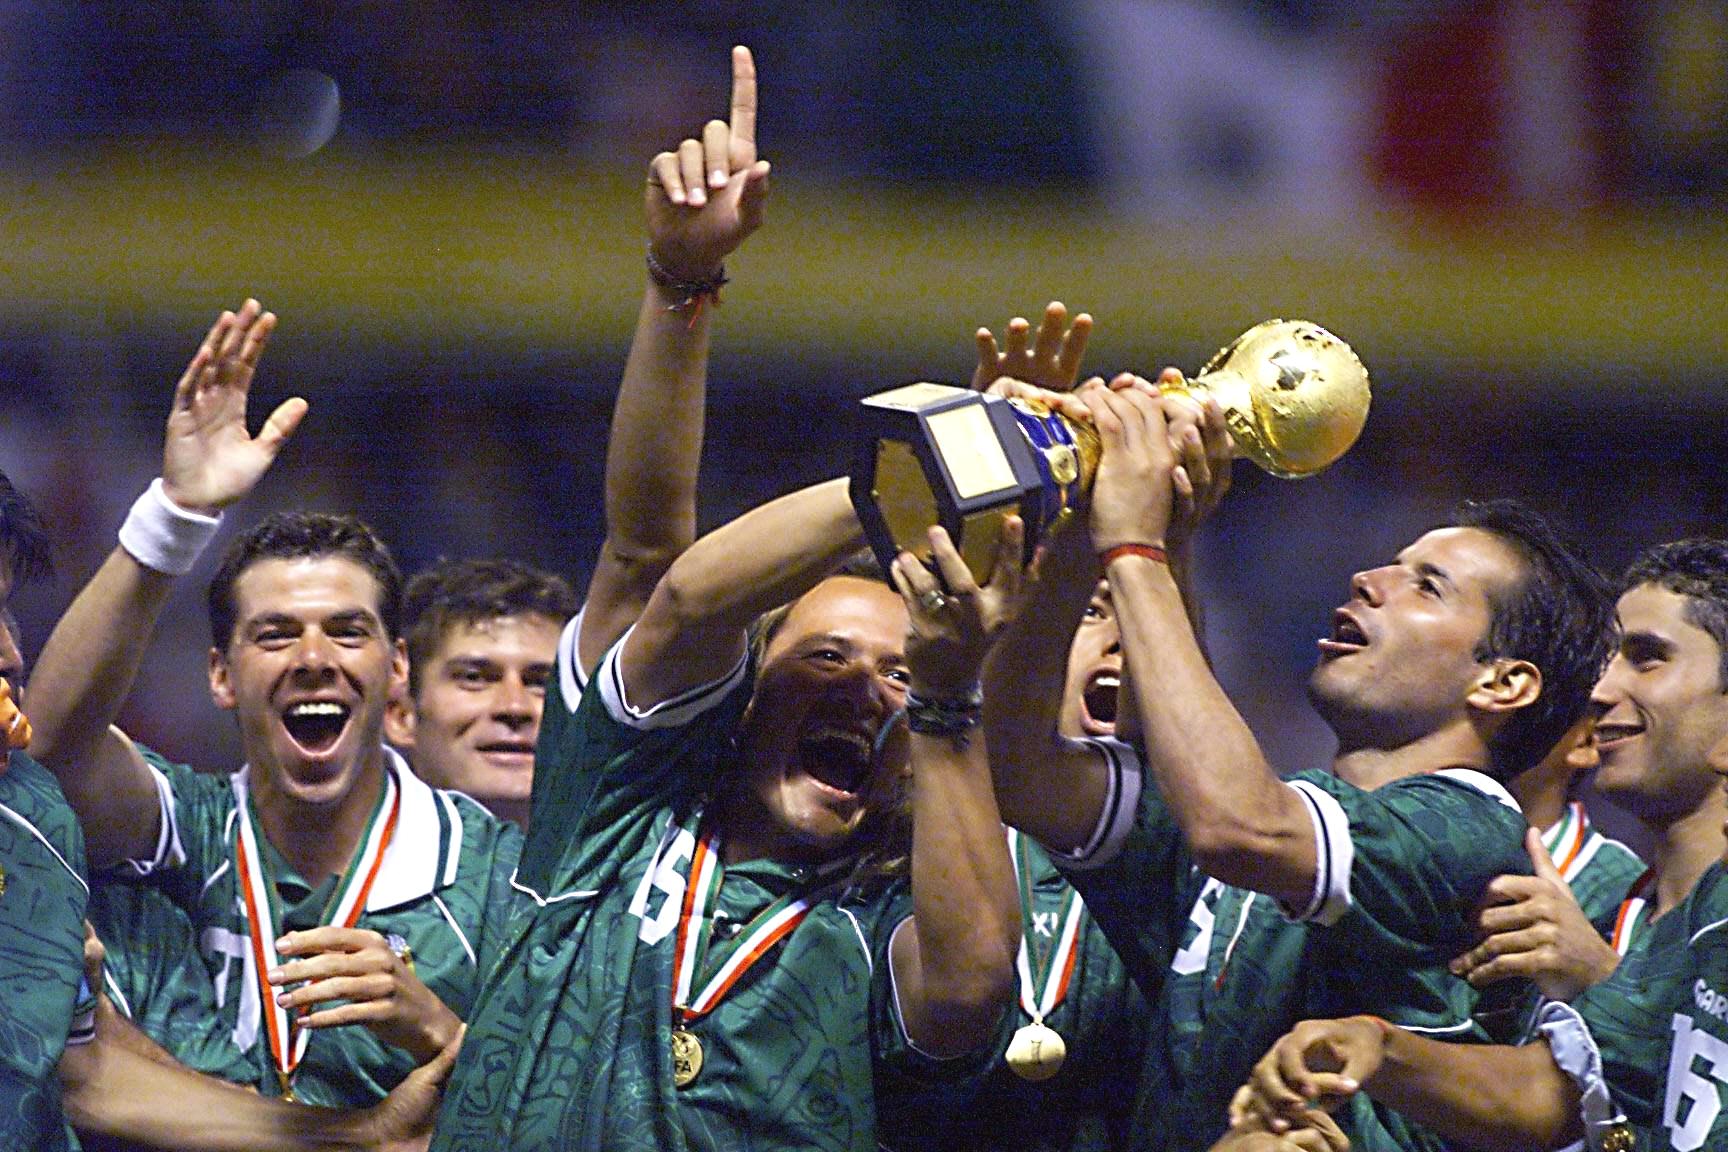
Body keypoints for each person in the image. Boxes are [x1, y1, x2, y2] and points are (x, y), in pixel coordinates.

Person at [983, 372, 1615, 1151]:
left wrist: (1137, 546)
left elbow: (1237, 827)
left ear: (1503, 681)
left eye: (1427, 586)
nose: (1367, 580)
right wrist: (1086, 533)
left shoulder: (1468, 831)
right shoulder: (1289, 815)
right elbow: (1022, 768)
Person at [24, 300, 522, 1107]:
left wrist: (434, 1024)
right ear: (220, 674)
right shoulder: (188, 830)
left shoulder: (494, 879)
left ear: (398, 671)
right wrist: (175, 518)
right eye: (277, 633)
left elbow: (565, 1116)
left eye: (347, 631)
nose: (314, 659)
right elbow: (53, 743)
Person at [1233, 537, 1728, 1152]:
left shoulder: (1586, 916)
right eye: (1607, 664)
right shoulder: (1603, 915)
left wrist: (1602, 980)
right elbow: (1544, 1108)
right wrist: (1378, 1047)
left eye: (1648, 658)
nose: (1599, 694)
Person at [386, 557, 578, 829]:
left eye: (540, 683)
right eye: (474, 678)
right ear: (401, 714)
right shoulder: (338, 865)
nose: (515, 707)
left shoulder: (641, 863)